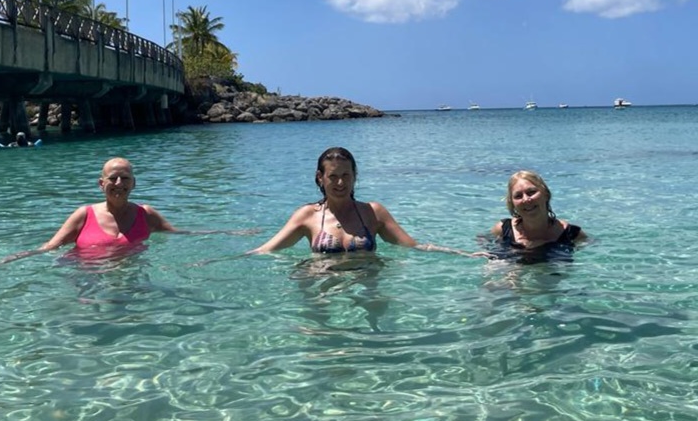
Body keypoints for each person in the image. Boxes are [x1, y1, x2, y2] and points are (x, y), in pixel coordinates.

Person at [248, 146, 477, 256]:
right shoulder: (307, 215)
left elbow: (413, 245)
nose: (340, 183)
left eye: (346, 175)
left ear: (355, 176)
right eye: (333, 176)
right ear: (320, 178)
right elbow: (266, 249)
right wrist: (230, 261)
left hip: (367, 283)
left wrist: (464, 254)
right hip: (322, 283)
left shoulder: (373, 212)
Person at [0, 157, 174, 264]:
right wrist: (10, 259)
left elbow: (180, 235)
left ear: (134, 183)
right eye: (113, 178)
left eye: (125, 178)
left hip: (130, 275)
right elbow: (50, 247)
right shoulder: (84, 215)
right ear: (101, 184)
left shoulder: (146, 214)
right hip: (89, 278)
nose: (119, 183)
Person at [487, 170, 588, 261]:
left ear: (546, 194)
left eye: (531, 192)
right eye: (518, 196)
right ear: (512, 203)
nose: (526, 199)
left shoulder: (572, 235)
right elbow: (485, 245)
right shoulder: (502, 230)